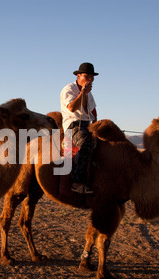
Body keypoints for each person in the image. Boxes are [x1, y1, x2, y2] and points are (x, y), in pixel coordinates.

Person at [60, 62, 98, 194]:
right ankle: (77, 182)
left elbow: (93, 112)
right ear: (78, 76)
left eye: (92, 77)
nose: (90, 79)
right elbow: (71, 107)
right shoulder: (69, 89)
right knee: (85, 144)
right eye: (87, 76)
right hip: (73, 125)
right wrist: (83, 92)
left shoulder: (90, 94)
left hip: (88, 124)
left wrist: (96, 127)